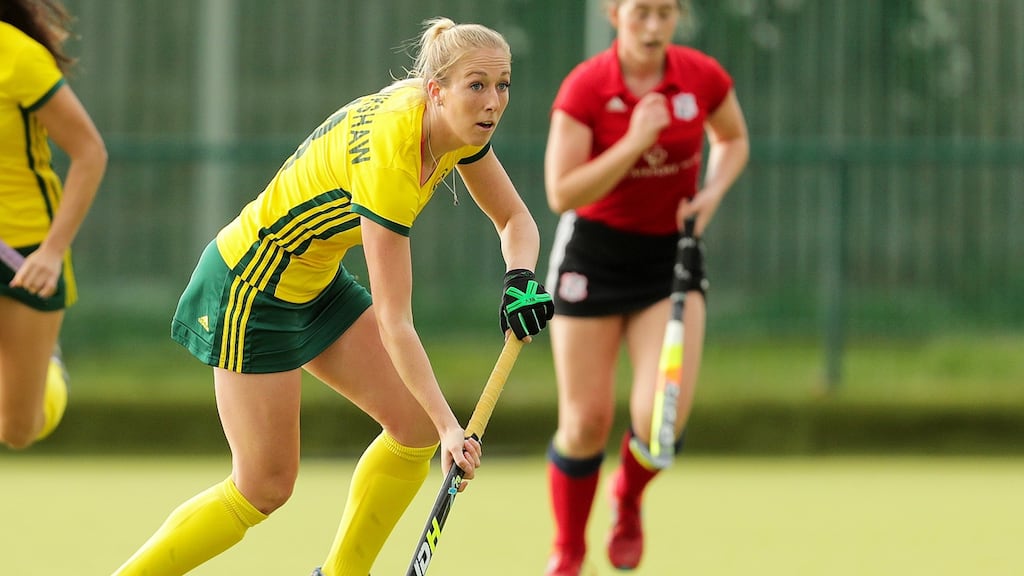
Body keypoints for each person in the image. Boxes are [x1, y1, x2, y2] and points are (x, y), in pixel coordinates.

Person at [111, 16, 553, 576]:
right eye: (477, 85)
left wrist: (520, 278)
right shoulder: (394, 157)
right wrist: (451, 428)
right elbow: (396, 323)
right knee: (264, 486)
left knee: (411, 428)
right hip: (251, 285)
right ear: (436, 91)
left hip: (313, 280)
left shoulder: (450, 129)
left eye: (503, 84)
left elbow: (514, 217)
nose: (493, 102)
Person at [541, 0, 749, 573]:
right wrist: (635, 141)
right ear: (614, 14)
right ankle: (569, 548)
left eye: (665, 13)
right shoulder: (586, 88)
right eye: (641, 13)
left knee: (661, 420)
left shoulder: (701, 75)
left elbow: (733, 140)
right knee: (585, 421)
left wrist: (711, 194)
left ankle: (627, 499)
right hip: (593, 257)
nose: (653, 27)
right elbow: (562, 193)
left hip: (668, 262)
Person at [0, 0, 107, 450]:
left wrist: (51, 251)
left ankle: (49, 370)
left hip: (25, 252)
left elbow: (89, 154)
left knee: (17, 430)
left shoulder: (18, 56)